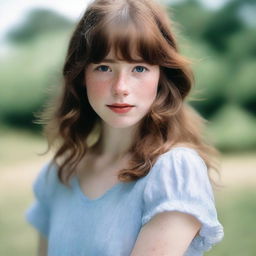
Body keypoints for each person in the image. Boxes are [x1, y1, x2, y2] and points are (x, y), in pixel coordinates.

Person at [25, 0, 224, 255]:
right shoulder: (59, 175)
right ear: (81, 76)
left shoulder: (174, 172)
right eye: (104, 67)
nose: (120, 87)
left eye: (139, 68)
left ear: (161, 77)